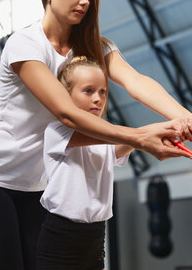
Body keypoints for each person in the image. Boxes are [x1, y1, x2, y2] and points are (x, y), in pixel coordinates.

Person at [0, 0, 192, 270]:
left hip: (37, 182)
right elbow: (66, 115)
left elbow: (136, 82)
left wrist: (184, 117)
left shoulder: (94, 47)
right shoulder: (25, 44)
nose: (84, 1)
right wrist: (139, 138)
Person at [37, 56, 133, 270]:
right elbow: (126, 138)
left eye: (102, 91)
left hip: (96, 236)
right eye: (88, 91)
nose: (98, 99)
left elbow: (124, 144)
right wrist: (149, 134)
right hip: (61, 237)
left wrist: (168, 133)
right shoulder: (57, 131)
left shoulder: (107, 134)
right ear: (66, 95)